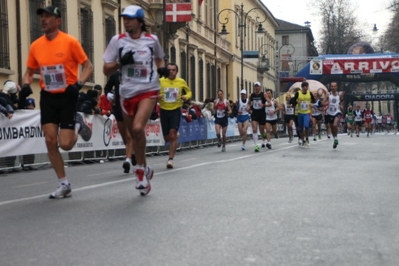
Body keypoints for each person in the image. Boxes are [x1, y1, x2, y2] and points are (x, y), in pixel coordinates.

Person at [22, 6, 93, 199]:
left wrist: (78, 85)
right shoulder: (36, 45)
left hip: (68, 95)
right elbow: (28, 72)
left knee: (66, 144)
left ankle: (77, 125)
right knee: (50, 140)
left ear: (58, 21)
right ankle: (64, 184)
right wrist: (27, 85)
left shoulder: (70, 42)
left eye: (48, 17)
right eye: (42, 17)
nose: (43, 20)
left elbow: (88, 66)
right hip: (48, 96)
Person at [103, 5, 168, 196]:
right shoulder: (118, 41)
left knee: (139, 128)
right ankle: (146, 168)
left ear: (140, 21)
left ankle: (139, 172)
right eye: (124, 18)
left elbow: (159, 59)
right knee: (134, 135)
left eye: (130, 18)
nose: (126, 21)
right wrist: (120, 63)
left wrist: (161, 69)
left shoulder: (151, 40)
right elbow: (106, 69)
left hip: (148, 90)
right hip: (126, 93)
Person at [159, 63, 192, 168]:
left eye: (173, 70)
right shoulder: (160, 81)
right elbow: (152, 93)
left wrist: (186, 97)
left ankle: (170, 159)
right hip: (164, 110)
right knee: (167, 138)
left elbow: (189, 92)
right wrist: (157, 96)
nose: (171, 71)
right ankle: (174, 136)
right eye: (169, 70)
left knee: (172, 134)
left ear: (176, 72)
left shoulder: (181, 81)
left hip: (176, 110)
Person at [104, 71, 136, 173]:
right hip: (118, 108)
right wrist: (108, 94)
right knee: (124, 136)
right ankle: (132, 153)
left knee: (129, 135)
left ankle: (127, 161)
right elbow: (107, 88)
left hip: (131, 108)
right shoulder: (115, 75)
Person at [290, 81, 319, 147]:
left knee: (306, 126)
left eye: (307, 86)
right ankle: (303, 140)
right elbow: (293, 101)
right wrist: (297, 101)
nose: (307, 88)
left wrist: (312, 104)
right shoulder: (298, 93)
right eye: (306, 86)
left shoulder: (309, 93)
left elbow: (314, 101)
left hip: (307, 112)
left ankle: (307, 138)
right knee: (300, 128)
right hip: (300, 113)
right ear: (302, 87)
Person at [247, 82, 267, 152]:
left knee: (261, 130)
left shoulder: (263, 94)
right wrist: (248, 108)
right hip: (254, 113)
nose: (256, 88)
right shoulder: (252, 95)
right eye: (255, 86)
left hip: (262, 114)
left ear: (260, 87)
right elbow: (249, 103)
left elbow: (270, 102)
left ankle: (264, 134)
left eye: (257, 86)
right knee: (254, 129)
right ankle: (256, 145)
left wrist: (263, 105)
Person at [324, 82, 343, 148]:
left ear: (336, 87)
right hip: (330, 112)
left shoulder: (339, 94)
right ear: (330, 87)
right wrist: (326, 102)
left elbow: (341, 101)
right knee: (332, 127)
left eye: (334, 86)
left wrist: (341, 106)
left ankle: (336, 138)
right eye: (332, 86)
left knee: (335, 125)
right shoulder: (328, 94)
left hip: (337, 111)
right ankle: (335, 138)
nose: (333, 88)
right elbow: (323, 102)